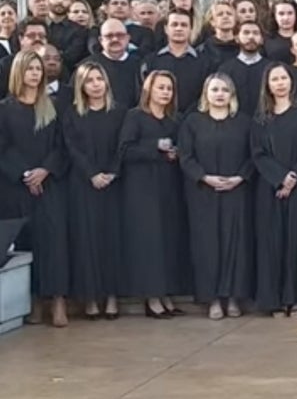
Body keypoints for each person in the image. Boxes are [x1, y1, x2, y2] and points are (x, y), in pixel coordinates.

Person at [0, 51, 69, 327]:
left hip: (49, 184)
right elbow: (3, 147)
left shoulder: (52, 107)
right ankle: (33, 303)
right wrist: (25, 173)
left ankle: (58, 301)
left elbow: (62, 145)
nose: (35, 74)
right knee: (26, 243)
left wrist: (45, 170)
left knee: (54, 243)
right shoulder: (4, 109)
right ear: (19, 72)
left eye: (38, 69)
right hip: (16, 187)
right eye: (29, 69)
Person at [179, 73, 255, 320]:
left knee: (235, 244)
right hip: (204, 192)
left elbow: (254, 154)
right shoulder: (193, 122)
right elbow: (186, 156)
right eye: (214, 90)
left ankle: (233, 297)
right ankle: (212, 299)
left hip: (236, 191)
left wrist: (240, 177)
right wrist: (204, 177)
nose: (219, 94)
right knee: (208, 246)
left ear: (231, 94)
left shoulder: (243, 122)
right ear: (206, 94)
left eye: (224, 90)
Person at [118, 70, 191, 319]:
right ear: (149, 89)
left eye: (169, 88)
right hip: (142, 190)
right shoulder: (135, 116)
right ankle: (151, 298)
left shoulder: (175, 119)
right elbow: (125, 151)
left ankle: (166, 293)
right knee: (149, 244)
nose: (165, 92)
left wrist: (175, 153)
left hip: (168, 188)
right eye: (161, 87)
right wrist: (155, 147)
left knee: (168, 241)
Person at [252, 63, 297, 317]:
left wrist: (293, 177)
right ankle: (275, 301)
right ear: (267, 85)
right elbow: (257, 153)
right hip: (270, 188)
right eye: (275, 79)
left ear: (291, 82)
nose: (280, 83)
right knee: (273, 243)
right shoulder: (261, 117)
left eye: (284, 78)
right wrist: (279, 178)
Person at [63, 62, 124, 320]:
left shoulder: (119, 112)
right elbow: (71, 147)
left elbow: (122, 145)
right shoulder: (72, 113)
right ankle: (90, 299)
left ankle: (111, 297)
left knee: (111, 240)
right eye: (90, 80)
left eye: (100, 79)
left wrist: (111, 172)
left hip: (113, 184)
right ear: (81, 85)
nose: (96, 84)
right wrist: (91, 174)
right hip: (83, 184)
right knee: (87, 241)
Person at [141, 9, 211, 113]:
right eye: (174, 24)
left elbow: (206, 96)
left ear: (191, 29)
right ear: (166, 29)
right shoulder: (150, 61)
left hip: (193, 120)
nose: (179, 28)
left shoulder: (205, 62)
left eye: (184, 25)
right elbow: (144, 94)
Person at [217, 21, 268, 117]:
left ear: (261, 39)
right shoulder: (225, 69)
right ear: (236, 38)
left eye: (256, 33)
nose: (251, 37)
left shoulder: (271, 69)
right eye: (246, 33)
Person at [89, 18, 142, 107]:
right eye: (109, 36)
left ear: (128, 38)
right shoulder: (87, 66)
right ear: (101, 40)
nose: (115, 39)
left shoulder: (140, 65)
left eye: (120, 35)